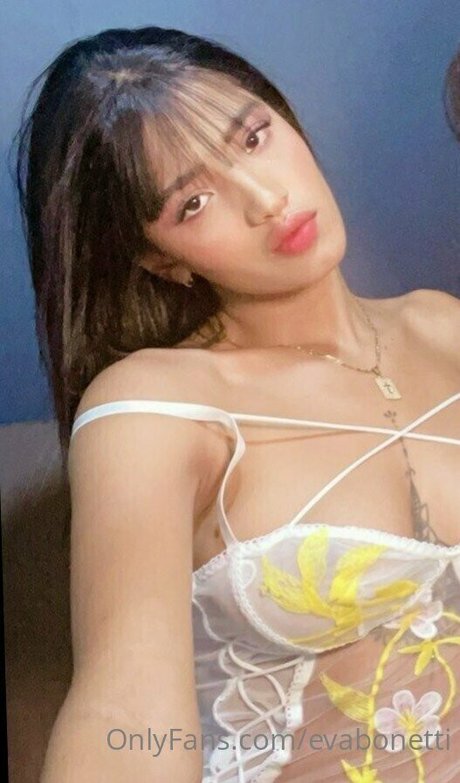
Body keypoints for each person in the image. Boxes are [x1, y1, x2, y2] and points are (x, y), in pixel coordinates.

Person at [15, 25, 460, 783]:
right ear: (159, 258)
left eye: (254, 137)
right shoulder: (152, 406)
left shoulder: (443, 324)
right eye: (193, 202)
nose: (265, 200)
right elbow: (124, 709)